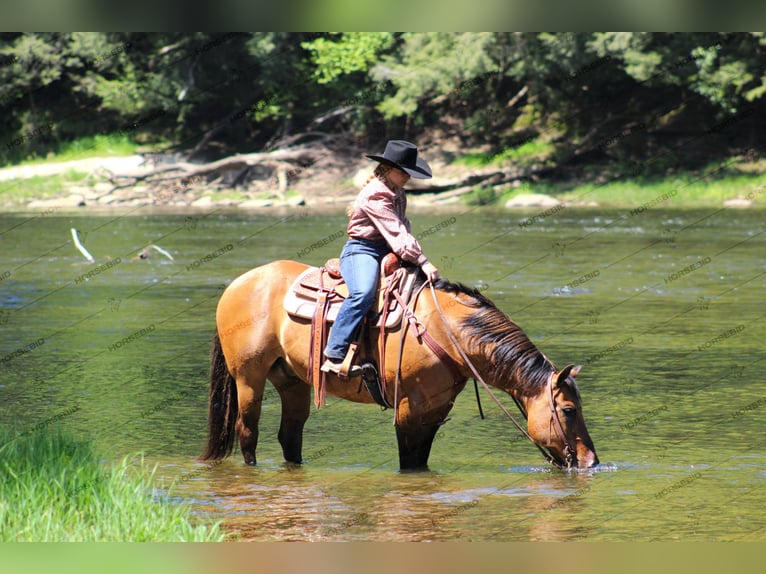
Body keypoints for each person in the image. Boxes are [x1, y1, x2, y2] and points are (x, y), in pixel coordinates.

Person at [321, 140, 440, 376]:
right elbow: (395, 230)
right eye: (403, 171)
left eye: (409, 172)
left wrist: (413, 259)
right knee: (362, 293)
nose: (407, 176)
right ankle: (334, 353)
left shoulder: (398, 193)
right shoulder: (375, 194)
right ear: (388, 168)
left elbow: (402, 229)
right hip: (361, 250)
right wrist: (423, 261)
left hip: (388, 250)